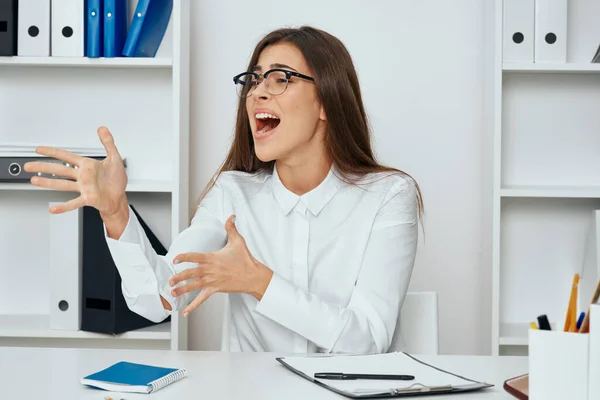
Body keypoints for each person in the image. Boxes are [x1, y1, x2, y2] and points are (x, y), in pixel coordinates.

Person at [24, 26, 423, 354]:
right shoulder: (233, 193)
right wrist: (116, 214)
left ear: (326, 101)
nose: (256, 93)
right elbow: (158, 300)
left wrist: (258, 281)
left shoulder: (388, 195)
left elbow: (367, 342)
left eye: (280, 78)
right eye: (253, 80)